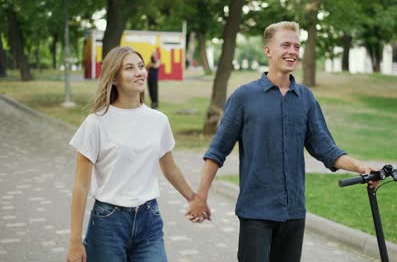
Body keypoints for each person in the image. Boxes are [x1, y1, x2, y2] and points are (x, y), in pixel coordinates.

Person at [187, 21, 377, 262]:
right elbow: (217, 152)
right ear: (268, 51)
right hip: (256, 212)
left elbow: (326, 149)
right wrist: (200, 198)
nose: (293, 51)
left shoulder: (305, 98)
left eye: (297, 46)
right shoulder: (244, 97)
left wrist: (361, 167)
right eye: (285, 45)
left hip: (293, 212)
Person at [66, 46, 209, 262]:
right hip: (108, 223)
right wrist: (75, 242)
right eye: (130, 68)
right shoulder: (96, 123)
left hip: (149, 219)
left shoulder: (158, 120)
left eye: (141, 66)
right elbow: (81, 186)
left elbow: (169, 167)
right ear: (114, 78)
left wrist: (193, 199)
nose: (139, 72)